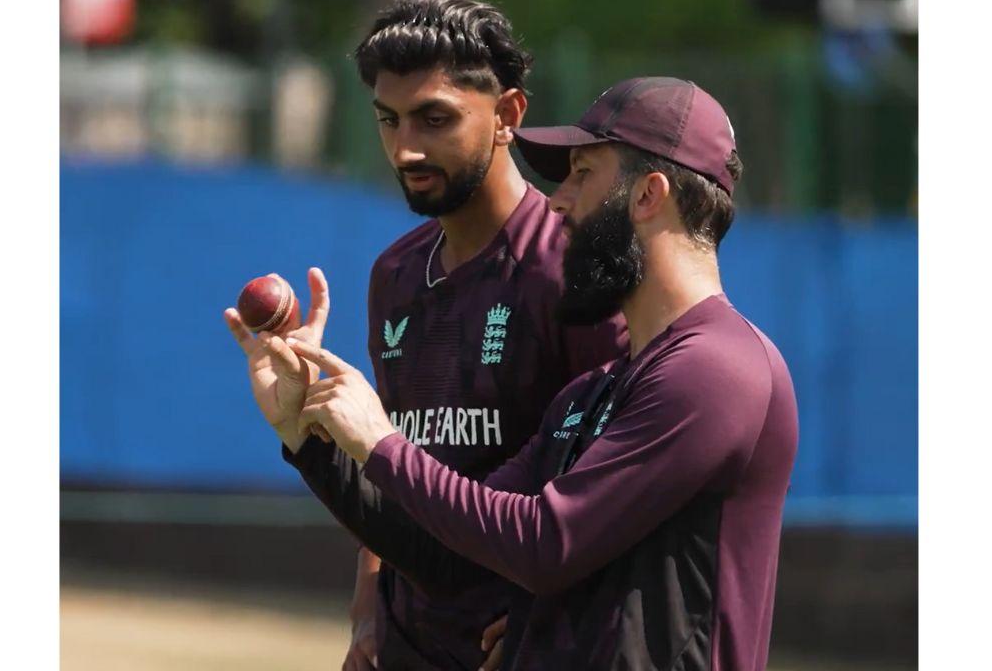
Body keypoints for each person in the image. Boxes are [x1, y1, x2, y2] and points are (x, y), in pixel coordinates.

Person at [248, 77, 800, 670]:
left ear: (648, 195)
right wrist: (310, 439)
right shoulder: (590, 395)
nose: (558, 200)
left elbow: (546, 543)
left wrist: (381, 441)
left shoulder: (716, 369)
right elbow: (449, 554)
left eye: (583, 174)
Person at [224, 0, 625, 671]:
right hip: (409, 642)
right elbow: (395, 455)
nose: (405, 148)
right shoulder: (397, 273)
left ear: (508, 115)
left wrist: (554, 623)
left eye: (434, 119)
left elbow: (614, 490)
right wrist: (369, 601)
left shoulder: (571, 267)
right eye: (388, 120)